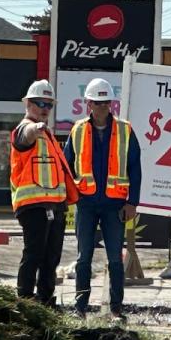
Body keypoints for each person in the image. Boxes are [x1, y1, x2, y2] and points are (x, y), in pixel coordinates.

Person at [64, 78, 141, 321]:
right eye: (97, 103)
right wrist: (69, 197)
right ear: (88, 103)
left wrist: (132, 202)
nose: (101, 108)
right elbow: (67, 166)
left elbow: (135, 168)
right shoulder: (77, 130)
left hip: (114, 204)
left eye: (105, 103)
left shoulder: (125, 130)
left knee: (115, 259)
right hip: (86, 203)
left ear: (111, 104)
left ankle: (116, 308)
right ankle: (80, 308)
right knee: (83, 257)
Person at [9, 79, 68, 307]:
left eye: (49, 104)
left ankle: (45, 300)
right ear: (28, 104)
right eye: (40, 103)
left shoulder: (49, 135)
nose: (45, 108)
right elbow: (27, 134)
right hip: (33, 205)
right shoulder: (24, 129)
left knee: (51, 257)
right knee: (34, 253)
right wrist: (37, 127)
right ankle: (24, 299)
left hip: (54, 204)